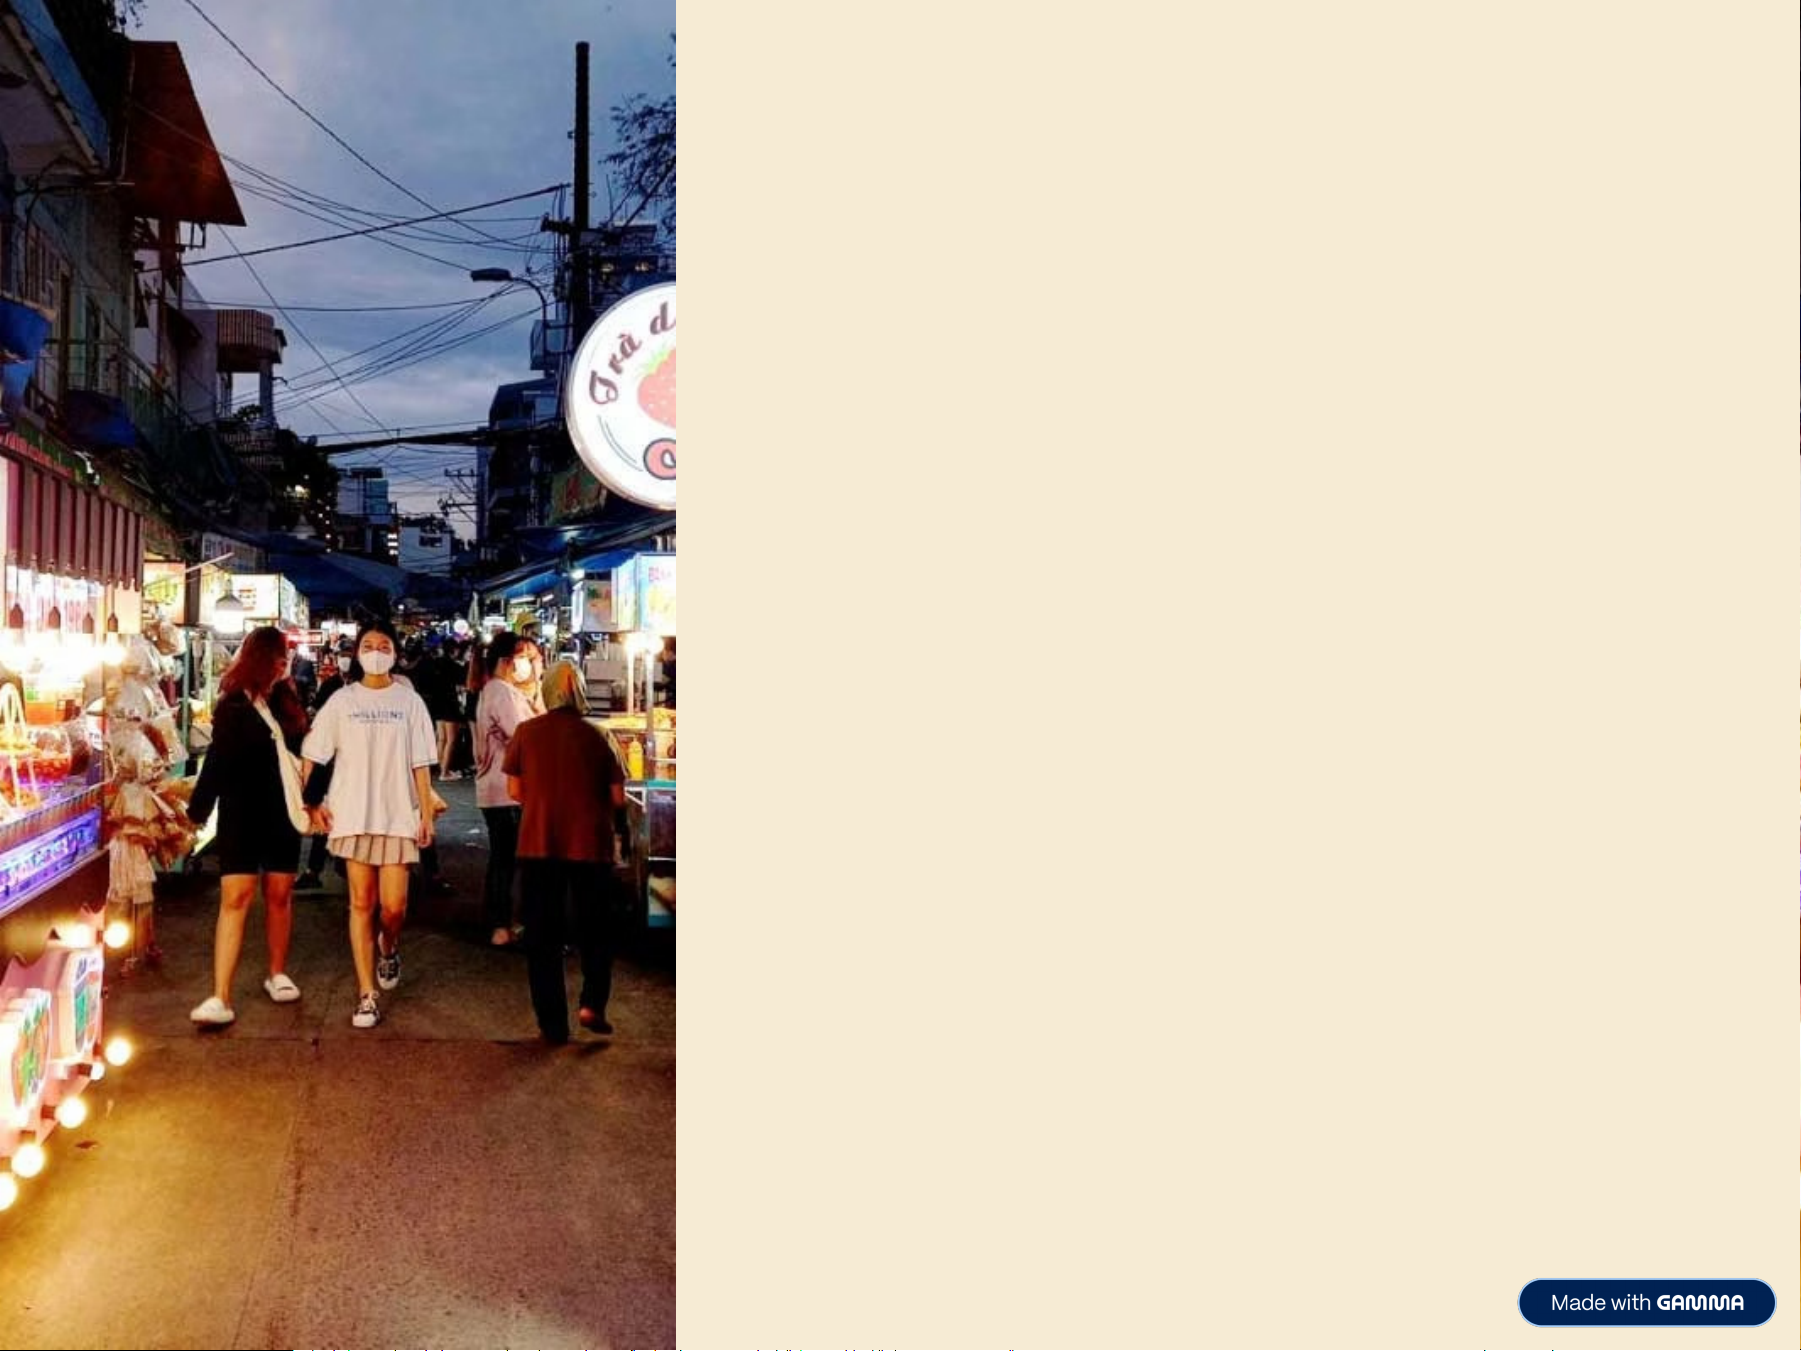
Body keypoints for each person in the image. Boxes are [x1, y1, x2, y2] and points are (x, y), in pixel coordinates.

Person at [300, 621, 438, 1029]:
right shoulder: (342, 701)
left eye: (383, 645)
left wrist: (426, 813)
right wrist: (312, 804)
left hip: (398, 815)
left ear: (395, 652)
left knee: (394, 908)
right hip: (352, 814)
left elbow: (421, 763)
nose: (376, 651)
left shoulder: (410, 702)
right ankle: (366, 994)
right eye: (368, 645)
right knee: (361, 904)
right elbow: (314, 753)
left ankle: (388, 946)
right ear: (357, 652)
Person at [185, 626, 311, 1027]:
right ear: (260, 658)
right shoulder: (233, 706)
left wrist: (316, 801)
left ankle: (277, 972)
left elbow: (306, 758)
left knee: (280, 894)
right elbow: (217, 763)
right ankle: (220, 994)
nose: (284, 661)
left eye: (286, 655)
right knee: (235, 896)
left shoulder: (288, 702)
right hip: (240, 813)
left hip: (282, 813)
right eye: (278, 654)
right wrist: (196, 814)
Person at [503, 660, 625, 1043]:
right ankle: (592, 1004)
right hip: (591, 845)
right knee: (595, 930)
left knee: (542, 937)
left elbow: (514, 791)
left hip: (539, 842)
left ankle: (552, 1025)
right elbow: (618, 797)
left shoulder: (526, 732)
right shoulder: (599, 735)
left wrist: (546, 799)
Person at [475, 632, 545, 947]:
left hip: (499, 789)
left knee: (504, 859)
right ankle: (502, 924)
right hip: (505, 790)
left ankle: (503, 923)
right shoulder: (500, 691)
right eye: (523, 657)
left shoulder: (499, 690)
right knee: (507, 860)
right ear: (507, 660)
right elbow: (523, 737)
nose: (527, 663)